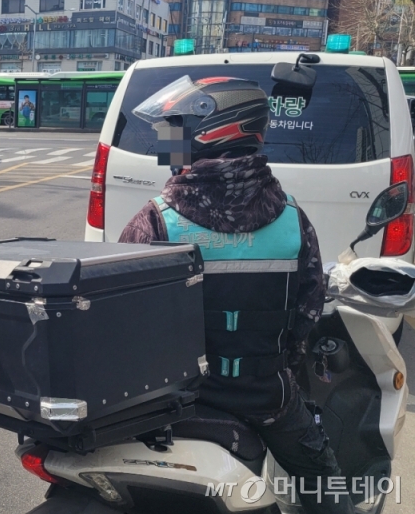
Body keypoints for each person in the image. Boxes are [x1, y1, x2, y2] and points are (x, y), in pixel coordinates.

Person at [118, 76, 352, 514]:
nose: (168, 141)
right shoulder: (293, 219)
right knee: (328, 493)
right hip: (270, 398)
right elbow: (308, 310)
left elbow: (126, 325)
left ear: (212, 131)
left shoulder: (154, 223)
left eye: (176, 128)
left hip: (182, 403)